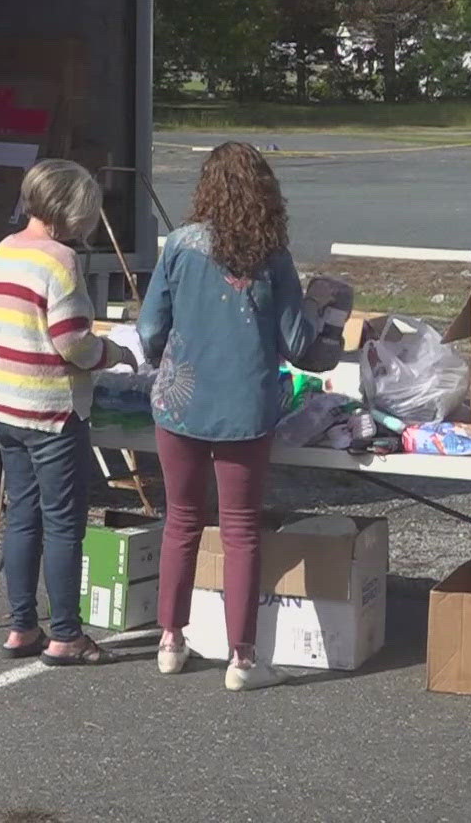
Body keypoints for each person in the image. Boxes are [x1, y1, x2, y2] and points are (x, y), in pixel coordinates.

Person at [138, 142, 315, 691]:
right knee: (240, 530)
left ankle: (170, 639)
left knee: (181, 521)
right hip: (245, 405)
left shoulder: (180, 246)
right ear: (264, 193)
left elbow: (149, 330)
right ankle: (243, 658)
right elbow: (298, 342)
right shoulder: (273, 255)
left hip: (180, 401)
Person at [0, 159, 133, 667]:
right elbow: (72, 342)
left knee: (23, 517)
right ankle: (67, 633)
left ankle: (22, 625)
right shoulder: (60, 260)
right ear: (71, 211)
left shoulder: (4, 250)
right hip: (49, 409)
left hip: (2, 403)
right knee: (65, 523)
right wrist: (112, 354)